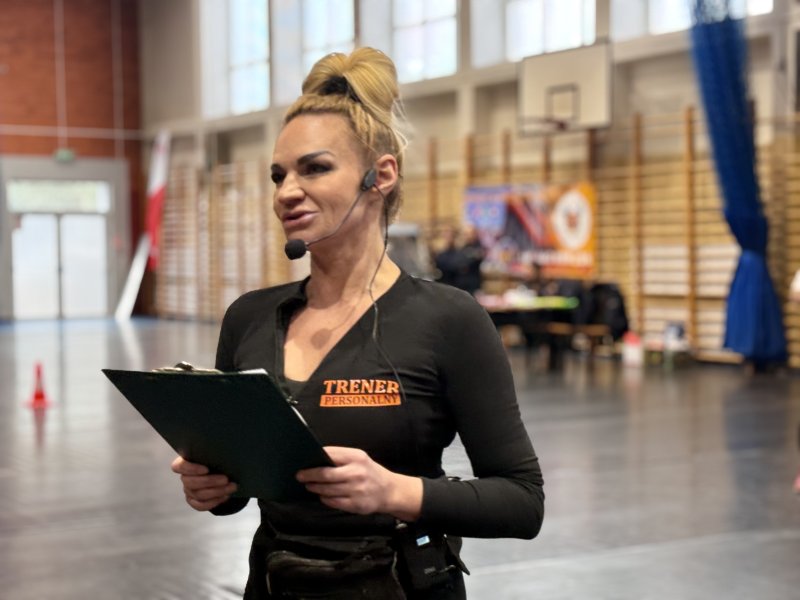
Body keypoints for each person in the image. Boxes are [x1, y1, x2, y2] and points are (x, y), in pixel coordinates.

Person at [170, 47, 544, 599]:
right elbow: (238, 491)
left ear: (380, 175)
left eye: (315, 168)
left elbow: (523, 501)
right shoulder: (249, 317)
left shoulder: (448, 319)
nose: (286, 191)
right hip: (277, 583)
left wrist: (394, 492)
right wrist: (213, 488)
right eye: (278, 175)